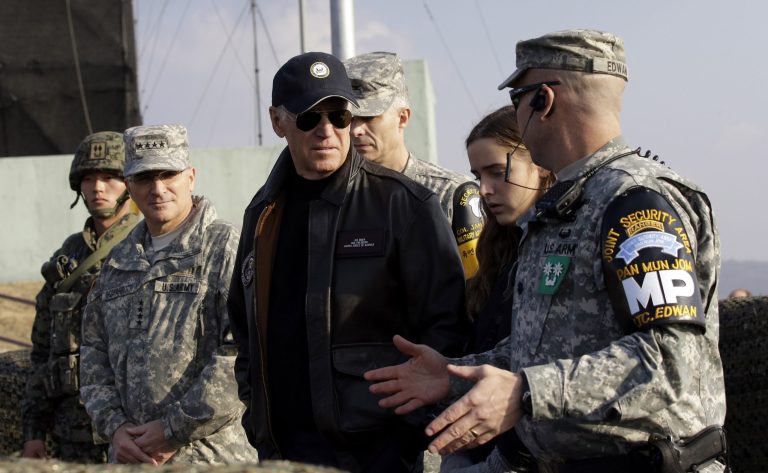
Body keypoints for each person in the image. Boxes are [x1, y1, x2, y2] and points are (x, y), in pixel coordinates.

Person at [366, 30, 727, 473]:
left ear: (542, 100)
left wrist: (526, 393)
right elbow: (548, 352)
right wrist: (455, 377)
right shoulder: (571, 203)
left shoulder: (635, 201)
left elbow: (671, 365)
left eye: (519, 98)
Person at [228, 51, 469, 473]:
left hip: (377, 454)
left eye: (339, 116)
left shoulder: (404, 205)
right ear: (277, 121)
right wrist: (256, 414)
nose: (327, 131)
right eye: (308, 117)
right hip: (281, 453)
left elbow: (446, 329)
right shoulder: (262, 213)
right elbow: (245, 329)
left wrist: (406, 436)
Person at [79, 124, 258, 465]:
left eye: (168, 174)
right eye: (145, 178)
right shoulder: (118, 261)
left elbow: (243, 354)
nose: (158, 189)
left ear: (190, 176)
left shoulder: (224, 248)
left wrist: (172, 429)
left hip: (210, 457)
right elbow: (93, 354)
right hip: (131, 457)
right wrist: (116, 429)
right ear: (129, 186)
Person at [441, 107, 553, 473]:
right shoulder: (497, 250)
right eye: (477, 175)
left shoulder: (563, 248)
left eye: (499, 172)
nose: (484, 190)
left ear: (540, 165)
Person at [21, 131, 140, 463]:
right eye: (88, 178)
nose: (97, 187)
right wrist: (33, 431)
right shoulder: (67, 256)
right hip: (72, 434)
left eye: (108, 177)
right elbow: (43, 352)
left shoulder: (146, 246)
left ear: (129, 182)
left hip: (132, 431)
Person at [344, 51, 483, 278]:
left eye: (369, 118)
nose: (355, 130)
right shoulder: (339, 196)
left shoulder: (452, 194)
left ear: (403, 118)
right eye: (348, 119)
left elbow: (478, 291)